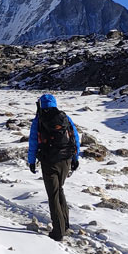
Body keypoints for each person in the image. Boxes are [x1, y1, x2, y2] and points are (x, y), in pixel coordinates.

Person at [26, 93, 81, 241]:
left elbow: (33, 142)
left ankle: (58, 232)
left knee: (53, 195)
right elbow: (75, 137)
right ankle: (65, 224)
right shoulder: (64, 117)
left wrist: (31, 161)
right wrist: (75, 157)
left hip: (49, 162)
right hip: (65, 160)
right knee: (59, 190)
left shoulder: (39, 120)